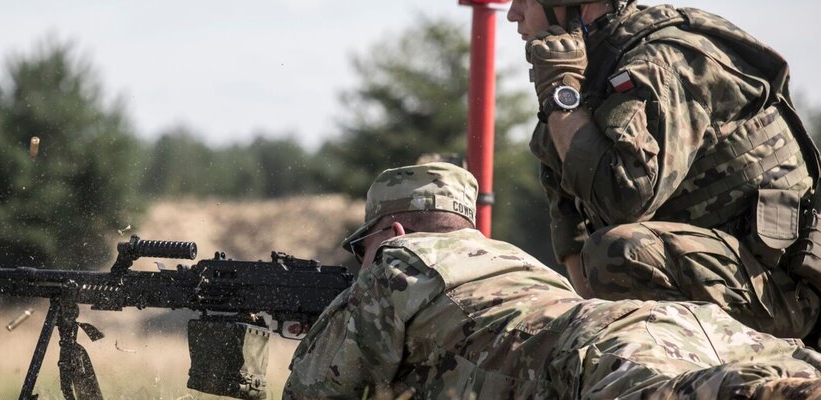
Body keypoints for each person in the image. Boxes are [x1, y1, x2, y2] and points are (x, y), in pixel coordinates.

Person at [284, 162, 821, 399]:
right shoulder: (511, 260)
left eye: (363, 246)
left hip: (596, 354)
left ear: (393, 230)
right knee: (793, 363)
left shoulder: (398, 260)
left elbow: (315, 388)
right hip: (677, 320)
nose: (362, 261)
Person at [509, 0, 821, 339]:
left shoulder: (663, 61)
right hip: (725, 276)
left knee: (620, 252)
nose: (514, 13)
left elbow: (623, 200)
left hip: (783, 292)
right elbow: (574, 230)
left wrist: (560, 95)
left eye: (525, 0)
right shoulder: (591, 70)